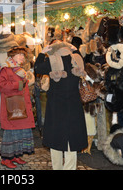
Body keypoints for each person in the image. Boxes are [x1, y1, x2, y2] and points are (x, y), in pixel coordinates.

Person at [34, 41, 88, 170]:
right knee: (72, 137)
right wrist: (76, 51)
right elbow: (83, 66)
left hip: (56, 105)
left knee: (55, 137)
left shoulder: (51, 60)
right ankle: (69, 168)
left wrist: (42, 53)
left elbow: (37, 68)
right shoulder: (76, 59)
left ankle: (57, 168)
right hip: (74, 104)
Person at [0, 47, 35, 169]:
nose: (22, 58)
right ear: (12, 56)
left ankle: (15, 155)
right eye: (20, 55)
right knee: (11, 132)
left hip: (22, 106)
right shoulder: (6, 69)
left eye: (23, 55)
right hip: (12, 108)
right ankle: (6, 158)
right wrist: (17, 85)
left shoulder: (20, 70)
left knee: (19, 133)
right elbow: (1, 86)